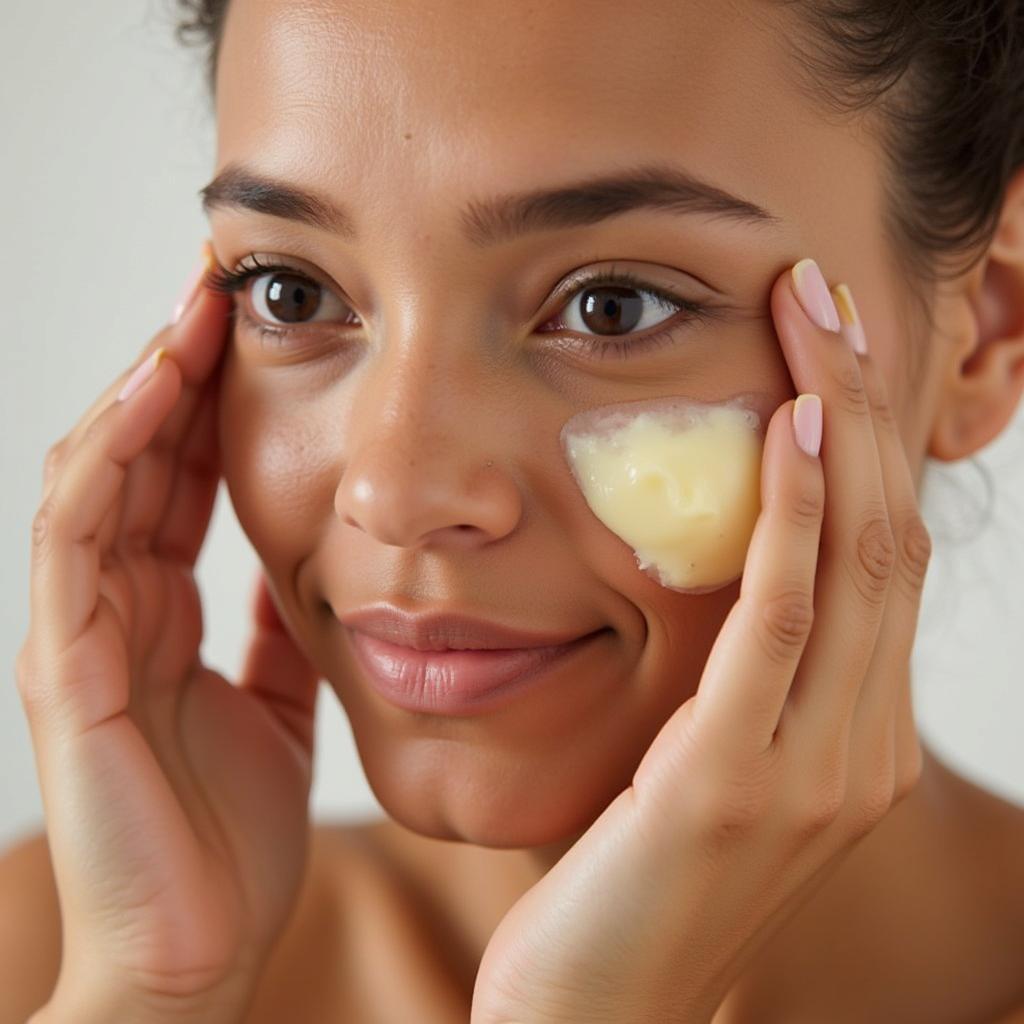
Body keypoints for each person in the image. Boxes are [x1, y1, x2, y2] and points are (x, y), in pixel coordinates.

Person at [4, 0, 1024, 1020]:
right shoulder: (59, 956)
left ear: (983, 328)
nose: (393, 496)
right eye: (290, 292)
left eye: (611, 305)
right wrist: (149, 991)